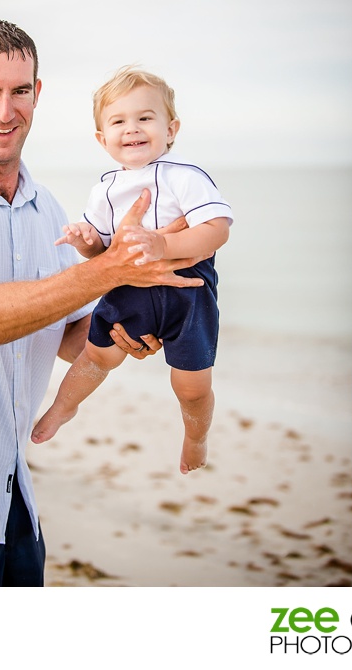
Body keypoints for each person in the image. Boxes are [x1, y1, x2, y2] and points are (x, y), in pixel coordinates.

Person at [0, 20, 203, 586]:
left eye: (20, 91)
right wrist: (108, 268)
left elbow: (68, 334)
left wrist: (132, 324)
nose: (6, 110)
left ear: (38, 93)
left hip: (13, 488)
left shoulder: (46, 208)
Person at [31, 67, 232, 474]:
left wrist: (164, 244)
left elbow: (217, 230)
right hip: (128, 291)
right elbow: (101, 252)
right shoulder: (105, 189)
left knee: (191, 387)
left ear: (170, 128)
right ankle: (62, 409)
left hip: (186, 293)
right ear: (103, 139)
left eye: (145, 118)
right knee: (95, 357)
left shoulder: (185, 178)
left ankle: (196, 437)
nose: (132, 129)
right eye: (118, 121)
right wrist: (85, 238)